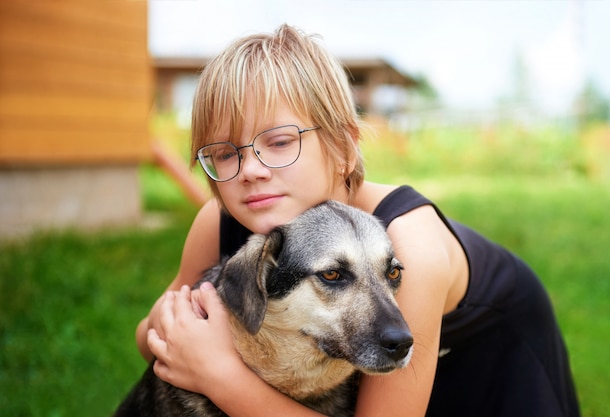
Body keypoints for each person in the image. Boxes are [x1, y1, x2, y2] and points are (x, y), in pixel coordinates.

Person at [135, 24, 580, 417]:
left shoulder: (407, 244)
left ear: (345, 146)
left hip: (488, 378)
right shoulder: (221, 218)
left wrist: (221, 375)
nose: (250, 169)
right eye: (225, 153)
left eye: (279, 141)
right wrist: (177, 327)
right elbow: (149, 338)